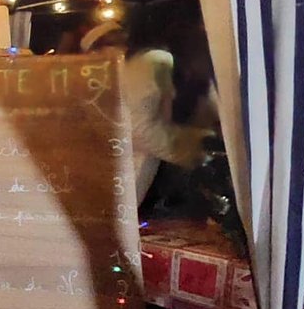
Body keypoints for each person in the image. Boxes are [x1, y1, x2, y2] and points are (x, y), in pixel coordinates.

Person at [80, 19, 210, 207]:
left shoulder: (143, 63)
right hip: (133, 155)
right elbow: (139, 126)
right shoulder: (144, 63)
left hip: (137, 152)